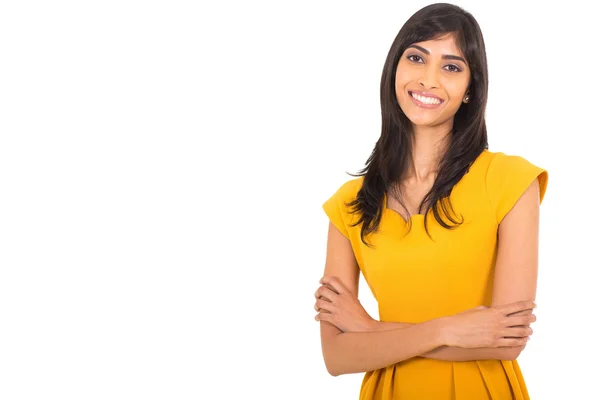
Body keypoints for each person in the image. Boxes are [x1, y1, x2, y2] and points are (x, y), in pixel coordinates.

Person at [313, 3, 548, 399]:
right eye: (416, 57)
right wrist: (449, 330)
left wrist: (369, 330)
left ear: (471, 88)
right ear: (394, 69)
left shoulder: (509, 181)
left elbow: (506, 341)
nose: (429, 79)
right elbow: (336, 356)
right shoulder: (348, 204)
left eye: (452, 67)